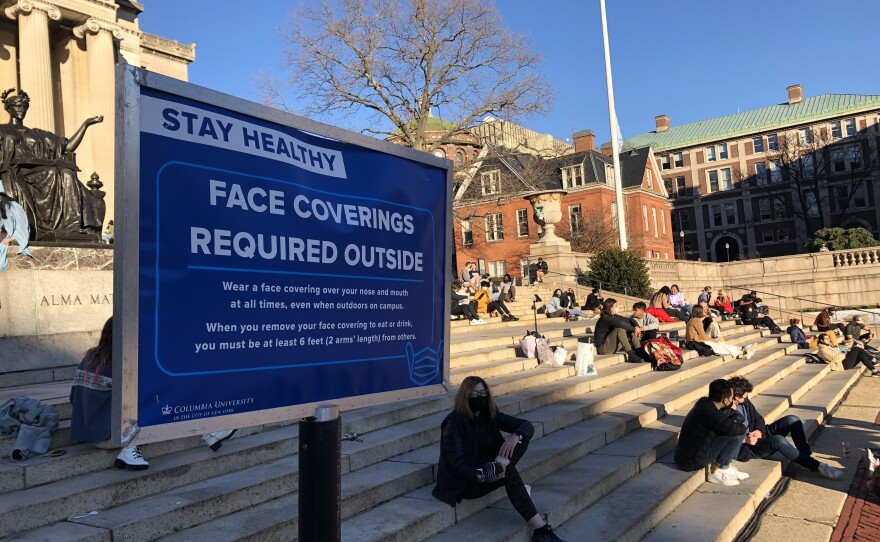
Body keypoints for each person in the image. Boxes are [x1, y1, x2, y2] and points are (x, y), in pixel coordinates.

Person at [70, 318, 238, 470]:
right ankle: (131, 450)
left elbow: (73, 397)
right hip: (112, 436)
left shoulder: (89, 358)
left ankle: (209, 433)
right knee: (161, 400)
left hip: (89, 433)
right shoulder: (123, 362)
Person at [432, 376, 566, 542]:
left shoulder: (489, 415)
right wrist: (485, 473)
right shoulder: (454, 424)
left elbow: (527, 425)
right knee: (508, 471)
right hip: (467, 482)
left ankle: (503, 465)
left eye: (483, 393)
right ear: (465, 396)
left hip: (492, 467)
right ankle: (541, 530)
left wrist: (515, 437)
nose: (479, 397)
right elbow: (458, 467)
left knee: (519, 443)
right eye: (474, 394)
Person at [0, 88, 102, 239]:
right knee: (53, 172)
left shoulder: (37, 133)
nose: (22, 110)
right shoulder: (3, 130)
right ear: (9, 108)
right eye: (17, 106)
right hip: (19, 171)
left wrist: (85, 125)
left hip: (40, 171)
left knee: (67, 174)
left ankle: (70, 228)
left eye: (24, 107)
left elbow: (67, 147)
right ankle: (49, 227)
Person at [728, 376, 843, 480]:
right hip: (748, 446)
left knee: (792, 419)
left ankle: (805, 458)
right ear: (735, 397)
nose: (746, 398)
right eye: (744, 397)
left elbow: (759, 419)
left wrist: (758, 431)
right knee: (778, 440)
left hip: (757, 435)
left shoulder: (744, 402)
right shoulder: (723, 411)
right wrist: (745, 439)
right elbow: (724, 435)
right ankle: (817, 466)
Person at [674, 379, 748, 486]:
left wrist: (734, 420)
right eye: (731, 397)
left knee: (733, 429)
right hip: (691, 461)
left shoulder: (706, 404)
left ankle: (725, 466)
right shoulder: (709, 413)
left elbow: (737, 416)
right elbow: (737, 429)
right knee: (735, 434)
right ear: (725, 400)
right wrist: (735, 422)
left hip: (689, 455)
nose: (732, 400)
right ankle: (717, 470)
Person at [687, 305, 755, 359]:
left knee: (720, 345)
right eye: (702, 310)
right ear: (700, 312)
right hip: (697, 342)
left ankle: (742, 351)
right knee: (719, 345)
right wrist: (714, 340)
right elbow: (703, 337)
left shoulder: (692, 320)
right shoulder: (697, 321)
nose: (704, 311)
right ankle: (742, 351)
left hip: (693, 341)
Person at [815, 333, 880, 376]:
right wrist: (845, 353)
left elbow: (839, 350)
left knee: (861, 355)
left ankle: (874, 372)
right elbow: (835, 359)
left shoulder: (828, 346)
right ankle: (874, 360)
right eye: (826, 339)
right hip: (842, 364)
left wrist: (846, 349)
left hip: (845, 360)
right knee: (856, 349)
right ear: (821, 340)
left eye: (828, 338)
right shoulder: (823, 349)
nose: (828, 340)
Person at [0, 191, 34, 271]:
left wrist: (13, 238)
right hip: (9, 234)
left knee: (3, 244)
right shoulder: (3, 208)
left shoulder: (14, 207)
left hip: (19, 234)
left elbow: (22, 226)